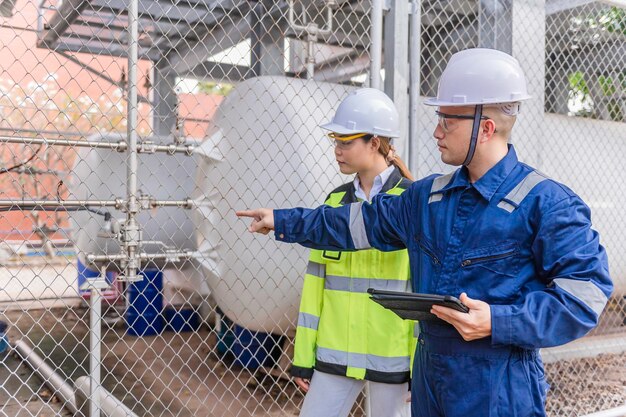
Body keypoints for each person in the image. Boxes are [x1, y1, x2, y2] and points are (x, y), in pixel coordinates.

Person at [237, 48, 613, 417]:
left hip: (498, 388)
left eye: (448, 120)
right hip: (431, 379)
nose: (436, 131)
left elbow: (585, 296)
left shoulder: (546, 203)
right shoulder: (427, 198)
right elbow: (356, 224)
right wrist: (283, 220)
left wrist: (498, 321)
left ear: (485, 127)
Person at [291, 88, 414, 417]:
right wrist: (304, 357)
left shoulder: (412, 200)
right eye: (336, 141)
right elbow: (316, 283)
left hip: (393, 356)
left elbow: (425, 288)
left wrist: (424, 364)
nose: (337, 150)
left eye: (346, 142)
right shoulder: (334, 202)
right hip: (336, 355)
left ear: (374, 142)